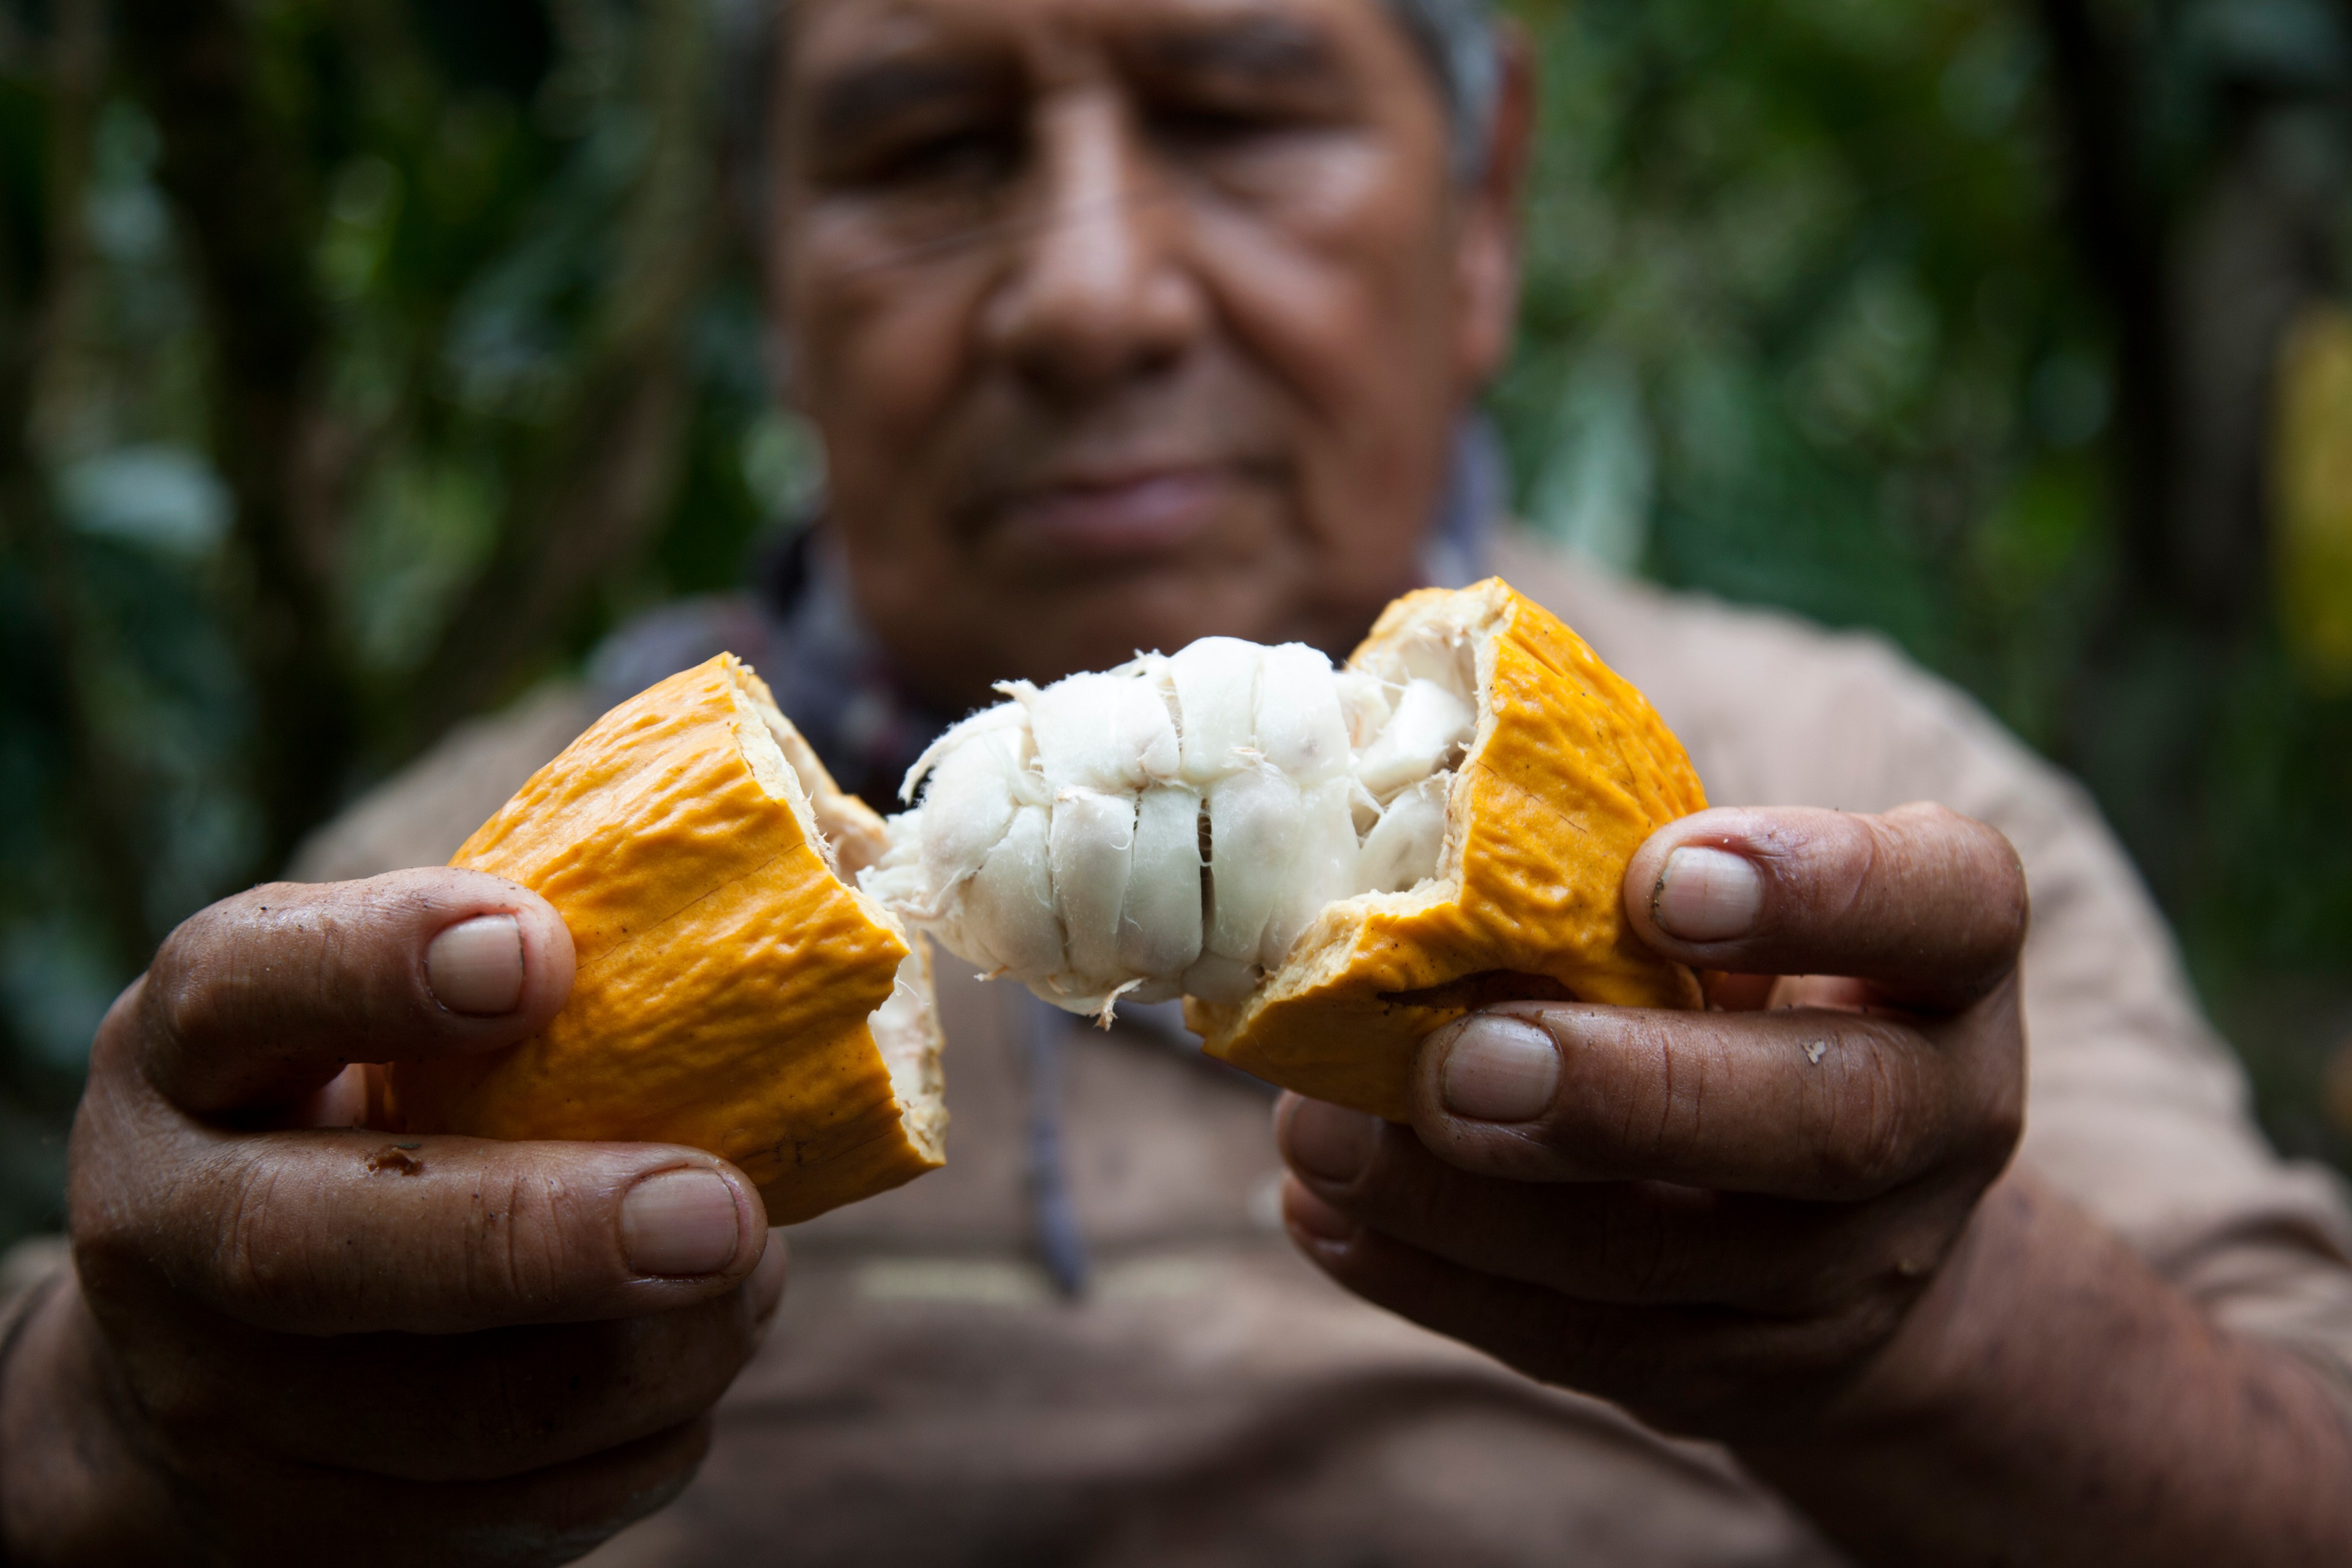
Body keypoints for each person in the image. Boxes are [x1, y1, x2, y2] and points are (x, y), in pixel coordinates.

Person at [6, 0, 2351, 1562]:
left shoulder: (1827, 798)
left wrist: (1927, 1330)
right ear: (768, 275)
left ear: (1488, 198)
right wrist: (119, 1433)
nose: (1094, 294)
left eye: (1238, 114)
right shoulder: (463, 904)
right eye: (929, 149)